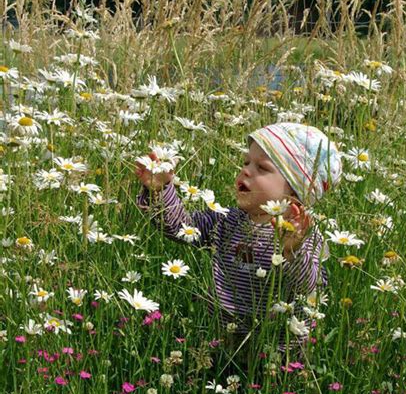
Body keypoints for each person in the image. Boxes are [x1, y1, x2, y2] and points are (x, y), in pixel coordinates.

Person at [135, 122, 342, 359]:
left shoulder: (304, 236)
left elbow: (307, 289)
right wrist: (160, 190)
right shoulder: (227, 221)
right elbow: (180, 227)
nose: (246, 171)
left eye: (262, 168)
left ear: (296, 191)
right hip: (220, 345)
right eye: (246, 163)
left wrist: (292, 251)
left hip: (277, 353)